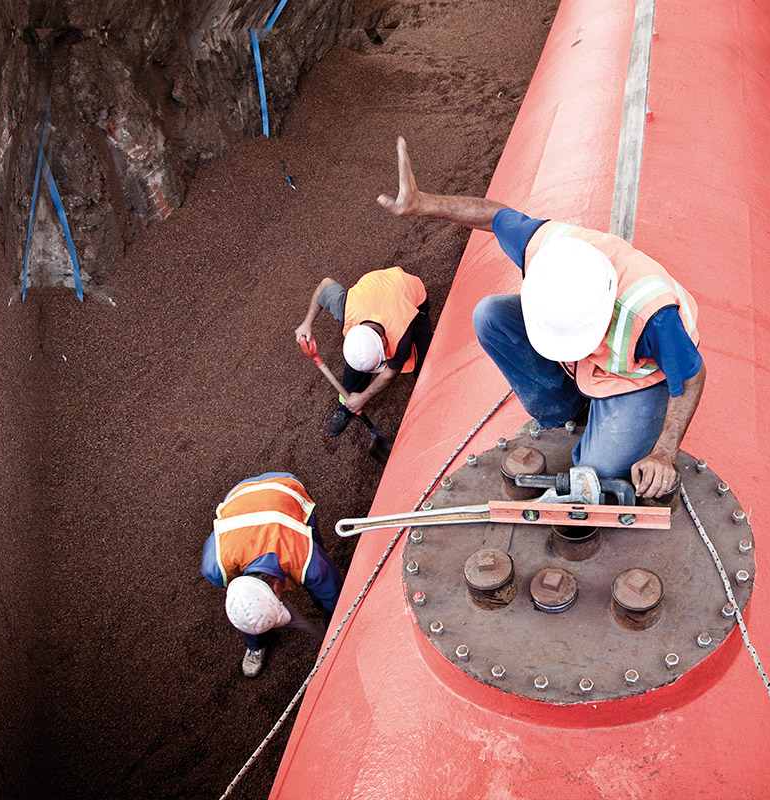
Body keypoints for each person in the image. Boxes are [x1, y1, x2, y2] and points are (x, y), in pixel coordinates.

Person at [376, 136, 706, 500]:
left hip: (636, 379)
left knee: (596, 474)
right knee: (490, 316)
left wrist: (663, 452)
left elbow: (692, 377)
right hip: (589, 364)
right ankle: (562, 414)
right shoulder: (545, 248)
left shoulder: (652, 314)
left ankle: (604, 422)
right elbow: (493, 216)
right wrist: (424, 204)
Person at [201, 472, 344, 678]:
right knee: (250, 605)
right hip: (240, 495)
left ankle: (329, 622)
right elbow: (246, 598)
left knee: (324, 587)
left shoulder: (307, 560)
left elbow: (335, 597)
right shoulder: (215, 567)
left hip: (285, 488)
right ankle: (255, 643)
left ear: (279, 587)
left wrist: (335, 629)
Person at [295, 266, 432, 439]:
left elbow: (390, 373)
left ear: (384, 341)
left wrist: (363, 398)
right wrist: (307, 323)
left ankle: (431, 401)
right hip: (372, 290)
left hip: (409, 291)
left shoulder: (401, 334)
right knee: (356, 365)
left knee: (424, 361)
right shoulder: (345, 308)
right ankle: (345, 407)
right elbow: (324, 285)